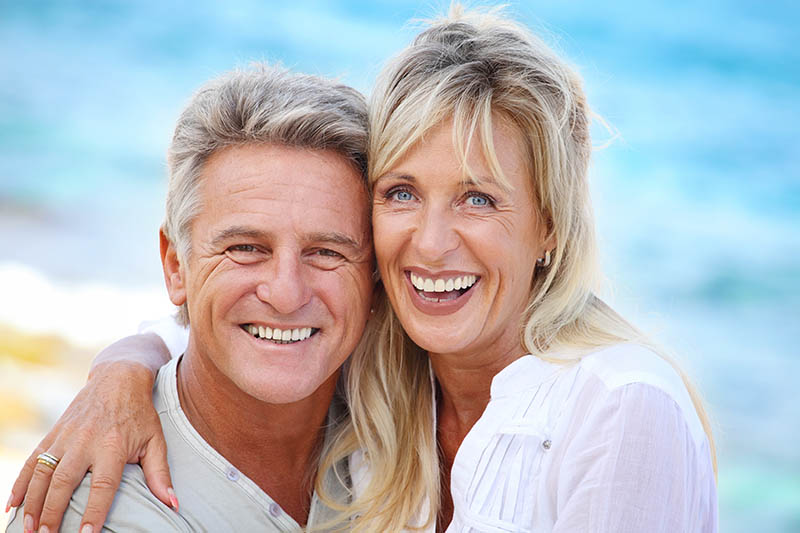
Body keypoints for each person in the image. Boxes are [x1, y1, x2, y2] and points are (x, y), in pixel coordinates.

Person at [8, 5, 718, 532]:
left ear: (551, 227)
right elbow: (237, 320)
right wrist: (122, 372)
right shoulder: (384, 379)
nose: (432, 244)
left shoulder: (620, 409)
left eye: (479, 197)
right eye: (402, 192)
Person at [6, 63, 375, 532]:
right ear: (176, 265)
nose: (286, 293)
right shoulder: (94, 510)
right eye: (245, 248)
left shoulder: (410, 437)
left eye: (326, 252)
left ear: (375, 276)